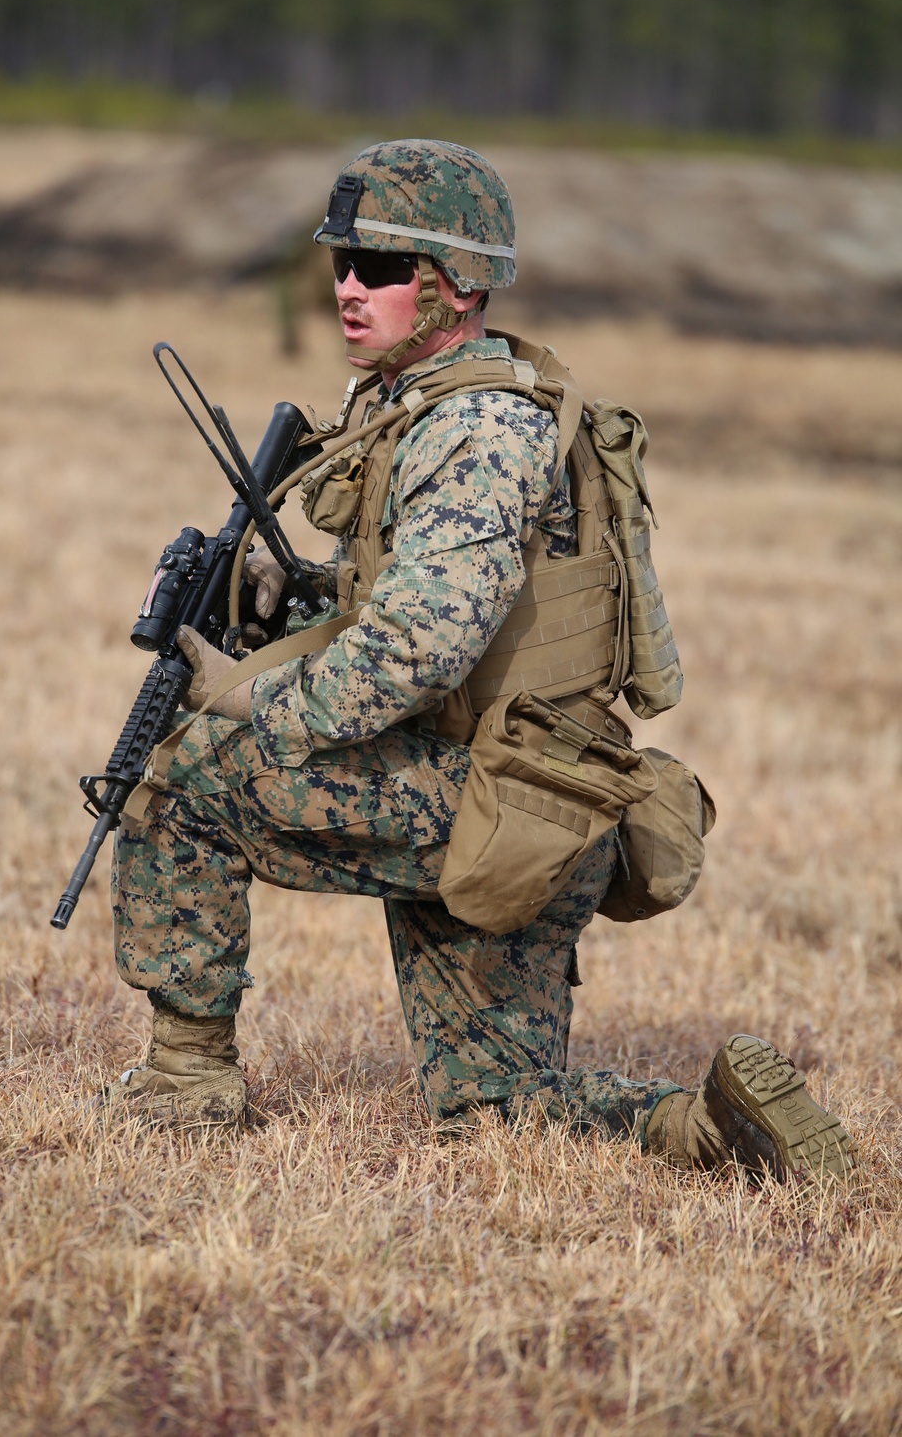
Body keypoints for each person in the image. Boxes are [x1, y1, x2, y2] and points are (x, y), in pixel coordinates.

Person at [108, 139, 855, 1186]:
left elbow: (414, 651)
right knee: (499, 1115)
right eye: (340, 263)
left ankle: (185, 1088)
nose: (347, 287)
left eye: (376, 264)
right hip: (526, 801)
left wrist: (247, 697)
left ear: (455, 286)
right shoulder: (441, 402)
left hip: (489, 798)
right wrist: (305, 596)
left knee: (180, 778)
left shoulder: (473, 430)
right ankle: (705, 1128)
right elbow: (425, 606)